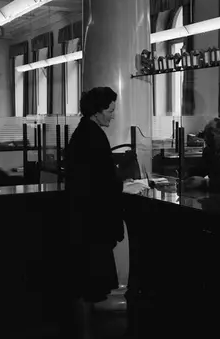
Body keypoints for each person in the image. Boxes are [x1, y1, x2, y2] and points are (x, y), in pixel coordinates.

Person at [64, 87, 128, 337]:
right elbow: (102, 181)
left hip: (83, 220)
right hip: (92, 223)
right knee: (87, 283)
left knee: (84, 283)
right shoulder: (94, 137)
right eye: (110, 110)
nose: (112, 115)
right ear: (97, 110)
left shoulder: (83, 132)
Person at [184, 117, 220, 193]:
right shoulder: (208, 151)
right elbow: (201, 169)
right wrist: (188, 174)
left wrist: (205, 183)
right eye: (204, 134)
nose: (205, 139)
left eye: (210, 135)